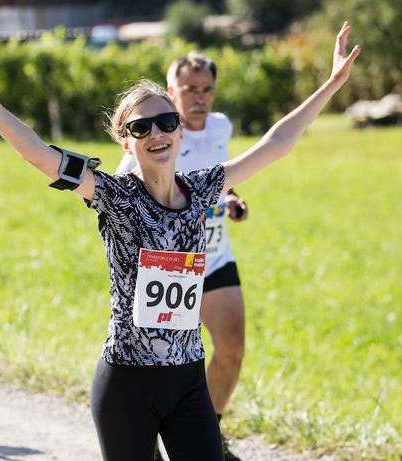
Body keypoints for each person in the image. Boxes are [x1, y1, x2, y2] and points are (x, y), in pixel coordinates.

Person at [0, 22, 359, 460]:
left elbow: (278, 142)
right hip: (126, 384)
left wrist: (332, 83)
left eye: (166, 122)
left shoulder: (203, 188)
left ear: (179, 131)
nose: (157, 133)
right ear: (125, 141)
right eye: (141, 128)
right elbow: (38, 153)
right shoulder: (115, 195)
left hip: (189, 380)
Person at [116, 52, 249, 460]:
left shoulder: (221, 127)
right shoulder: (154, 141)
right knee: (163, 361)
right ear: (171, 92)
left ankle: (212, 433)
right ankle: (152, 430)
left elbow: (220, 179)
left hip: (215, 257)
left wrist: (232, 199)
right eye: (189, 89)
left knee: (231, 348)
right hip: (169, 270)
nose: (199, 98)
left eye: (207, 89)